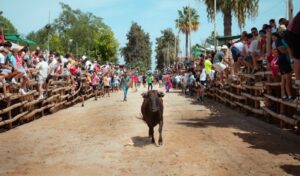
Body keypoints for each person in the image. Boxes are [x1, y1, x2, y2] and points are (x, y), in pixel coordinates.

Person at [274, 33, 292, 101]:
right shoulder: (279, 40)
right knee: (287, 80)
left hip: (284, 62)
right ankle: (289, 96)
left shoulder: (281, 40)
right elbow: (283, 50)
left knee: (285, 80)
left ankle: (285, 96)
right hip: (284, 62)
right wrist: (289, 50)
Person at [286, 11, 300, 86]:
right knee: (297, 57)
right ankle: (298, 80)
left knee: (296, 57)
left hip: (291, 32)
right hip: (294, 33)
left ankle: (298, 80)